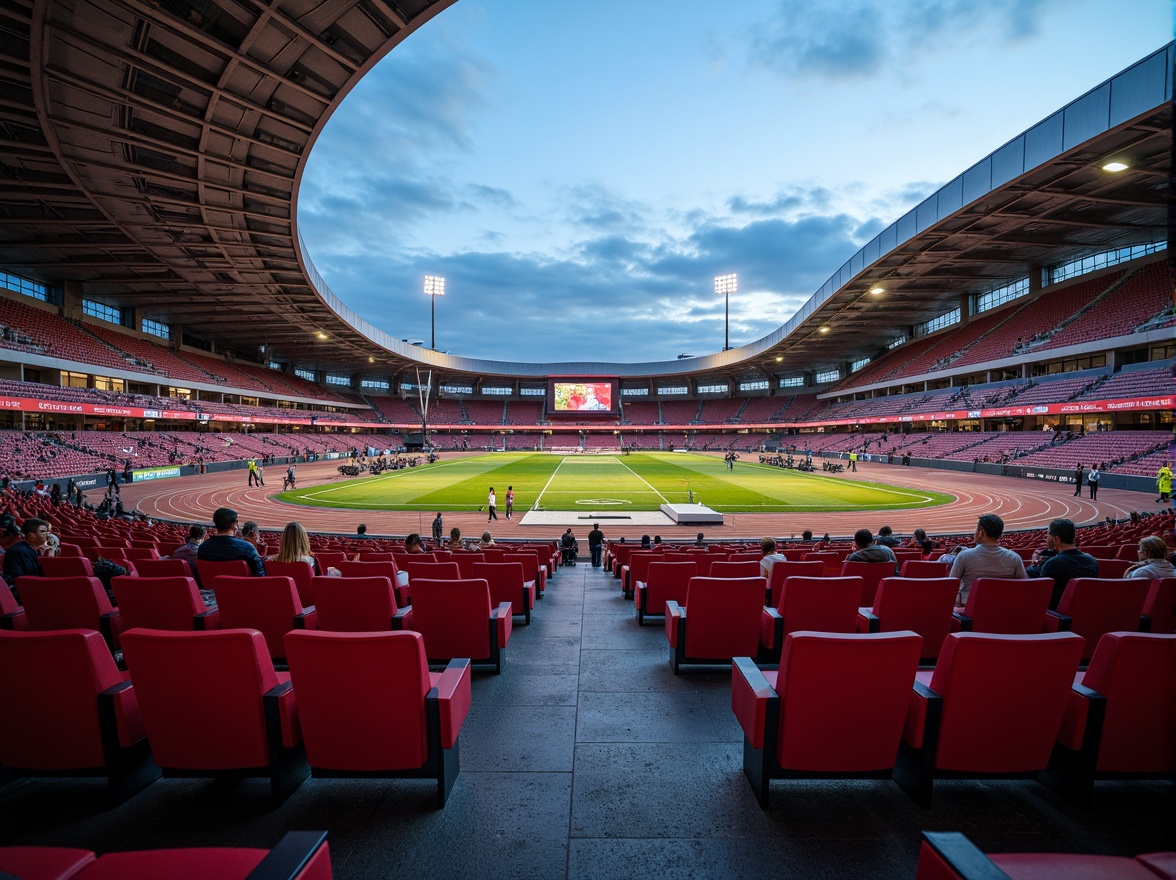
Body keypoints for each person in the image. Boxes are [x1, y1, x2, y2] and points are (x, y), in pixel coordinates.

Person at [949, 514, 1026, 606]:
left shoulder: (964, 556)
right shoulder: (1014, 558)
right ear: (1000, 534)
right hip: (1002, 609)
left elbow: (951, 586)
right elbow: (1023, 586)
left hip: (969, 611)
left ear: (981, 532)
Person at [1026, 518, 1098, 610]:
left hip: (1055, 615)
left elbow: (1030, 578)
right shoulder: (1092, 561)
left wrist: (1034, 563)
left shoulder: (1052, 564)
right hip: (1083, 612)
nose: (1046, 537)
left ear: (1057, 539)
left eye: (1048, 534)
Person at [197, 507, 266, 576]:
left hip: (213, 586)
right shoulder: (247, 547)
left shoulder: (203, 547)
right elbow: (260, 573)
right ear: (233, 525)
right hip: (242, 586)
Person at [3, 517, 49, 586]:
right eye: (42, 531)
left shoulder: (37, 550)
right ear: (31, 535)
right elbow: (18, 580)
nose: (47, 534)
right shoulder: (16, 552)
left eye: (47, 531)